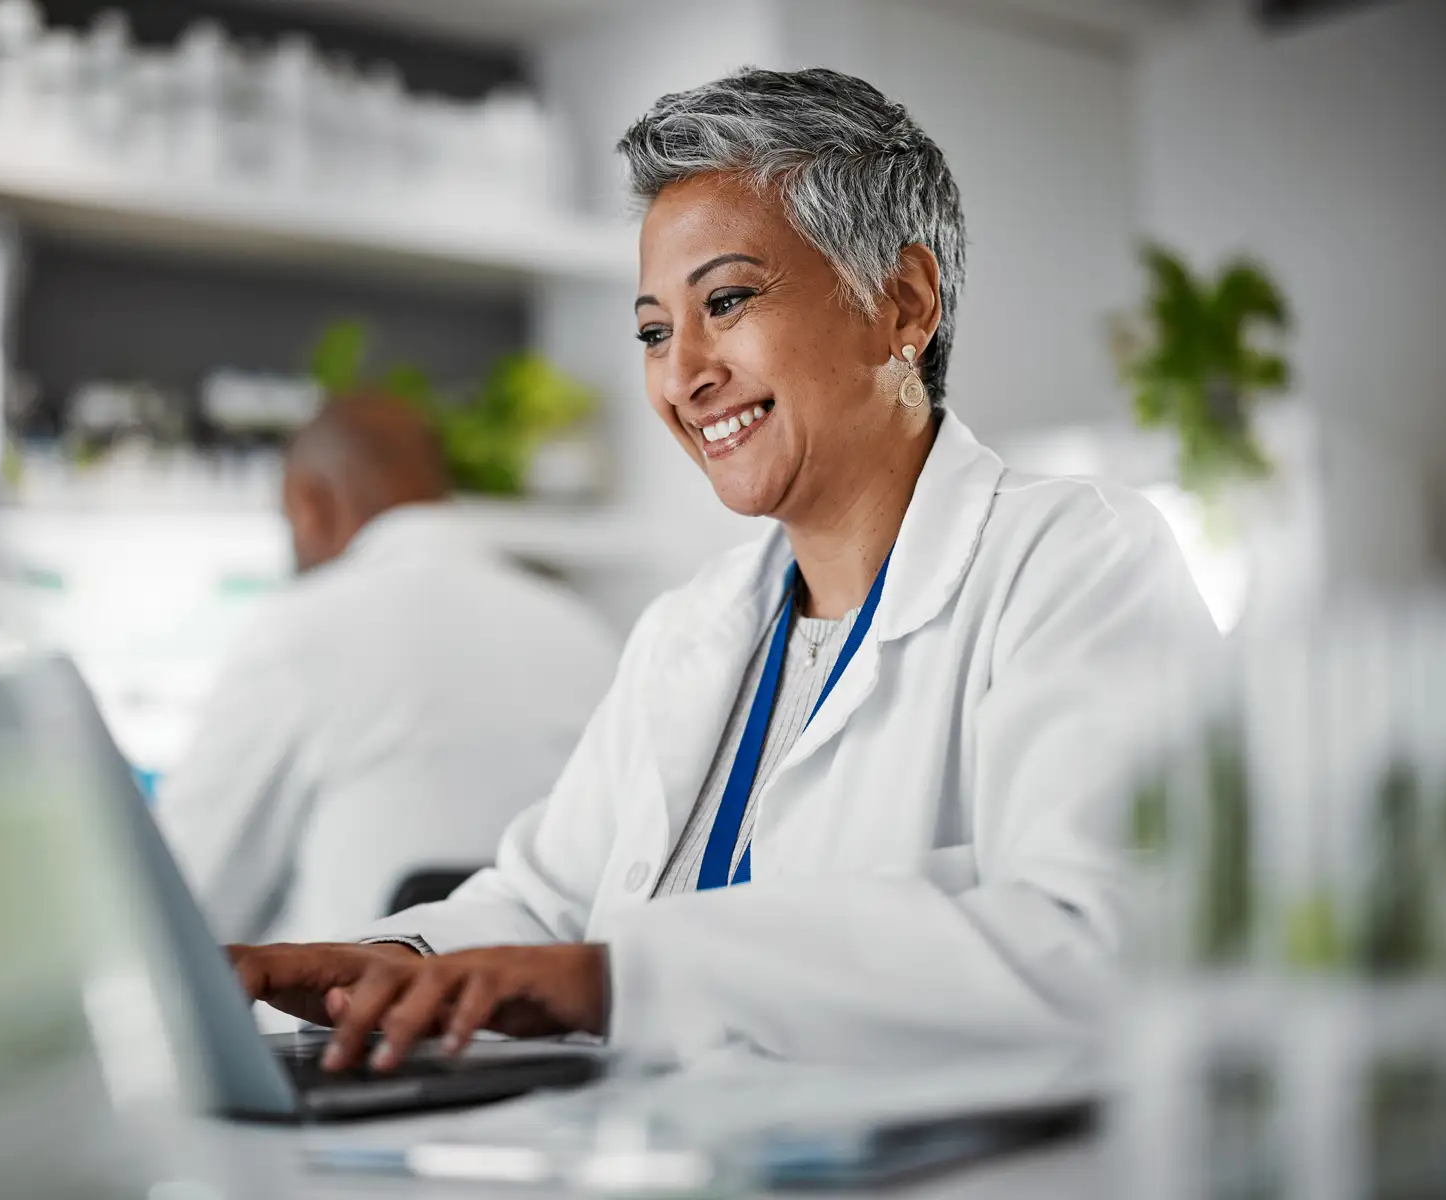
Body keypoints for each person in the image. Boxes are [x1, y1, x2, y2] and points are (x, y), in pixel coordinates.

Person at [227, 68, 1220, 1074]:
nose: (681, 374)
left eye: (729, 301)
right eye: (655, 330)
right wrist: (367, 963)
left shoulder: (1073, 561)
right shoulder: (689, 631)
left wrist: (617, 980)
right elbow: (539, 902)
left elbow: (1106, 944)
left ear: (903, 304)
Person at [157, 395, 620, 948]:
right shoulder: (586, 633)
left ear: (308, 502)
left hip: (343, 1027)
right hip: (561, 1026)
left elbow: (172, 902)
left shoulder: (297, 635)